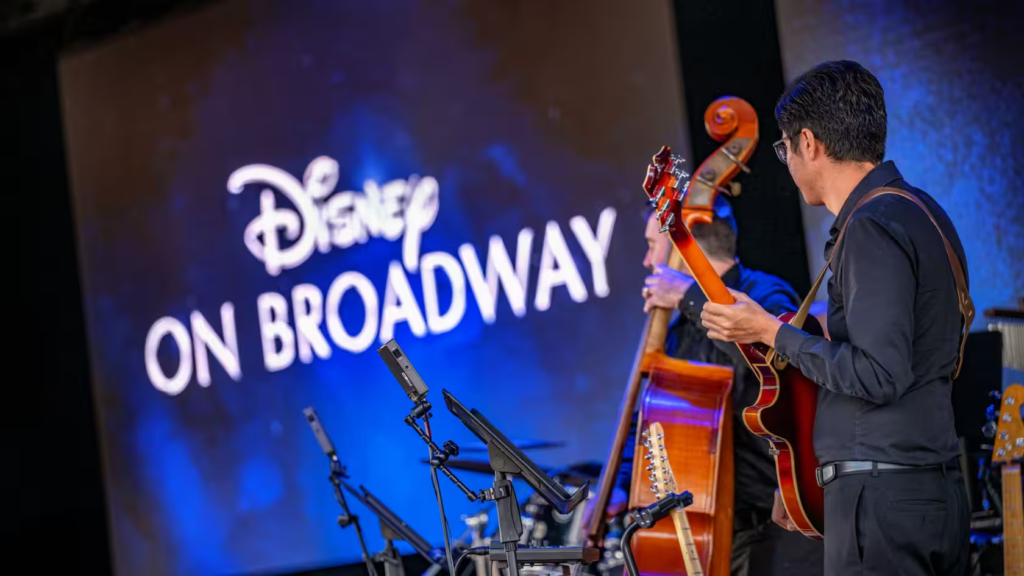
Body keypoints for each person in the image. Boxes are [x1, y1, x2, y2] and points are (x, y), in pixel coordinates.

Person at [699, 60, 970, 576]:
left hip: (883, 502)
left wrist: (769, 331)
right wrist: (810, 476)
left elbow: (877, 374)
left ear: (808, 143)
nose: (787, 160)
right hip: (927, 489)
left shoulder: (869, 227)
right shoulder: (923, 211)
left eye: (783, 148)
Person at [605, 197, 823, 576]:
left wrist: (690, 295)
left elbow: (778, 366)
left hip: (775, 529)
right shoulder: (679, 334)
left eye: (651, 245)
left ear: (680, 248)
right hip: (712, 534)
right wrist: (621, 485)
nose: (646, 261)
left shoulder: (766, 294)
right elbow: (649, 422)